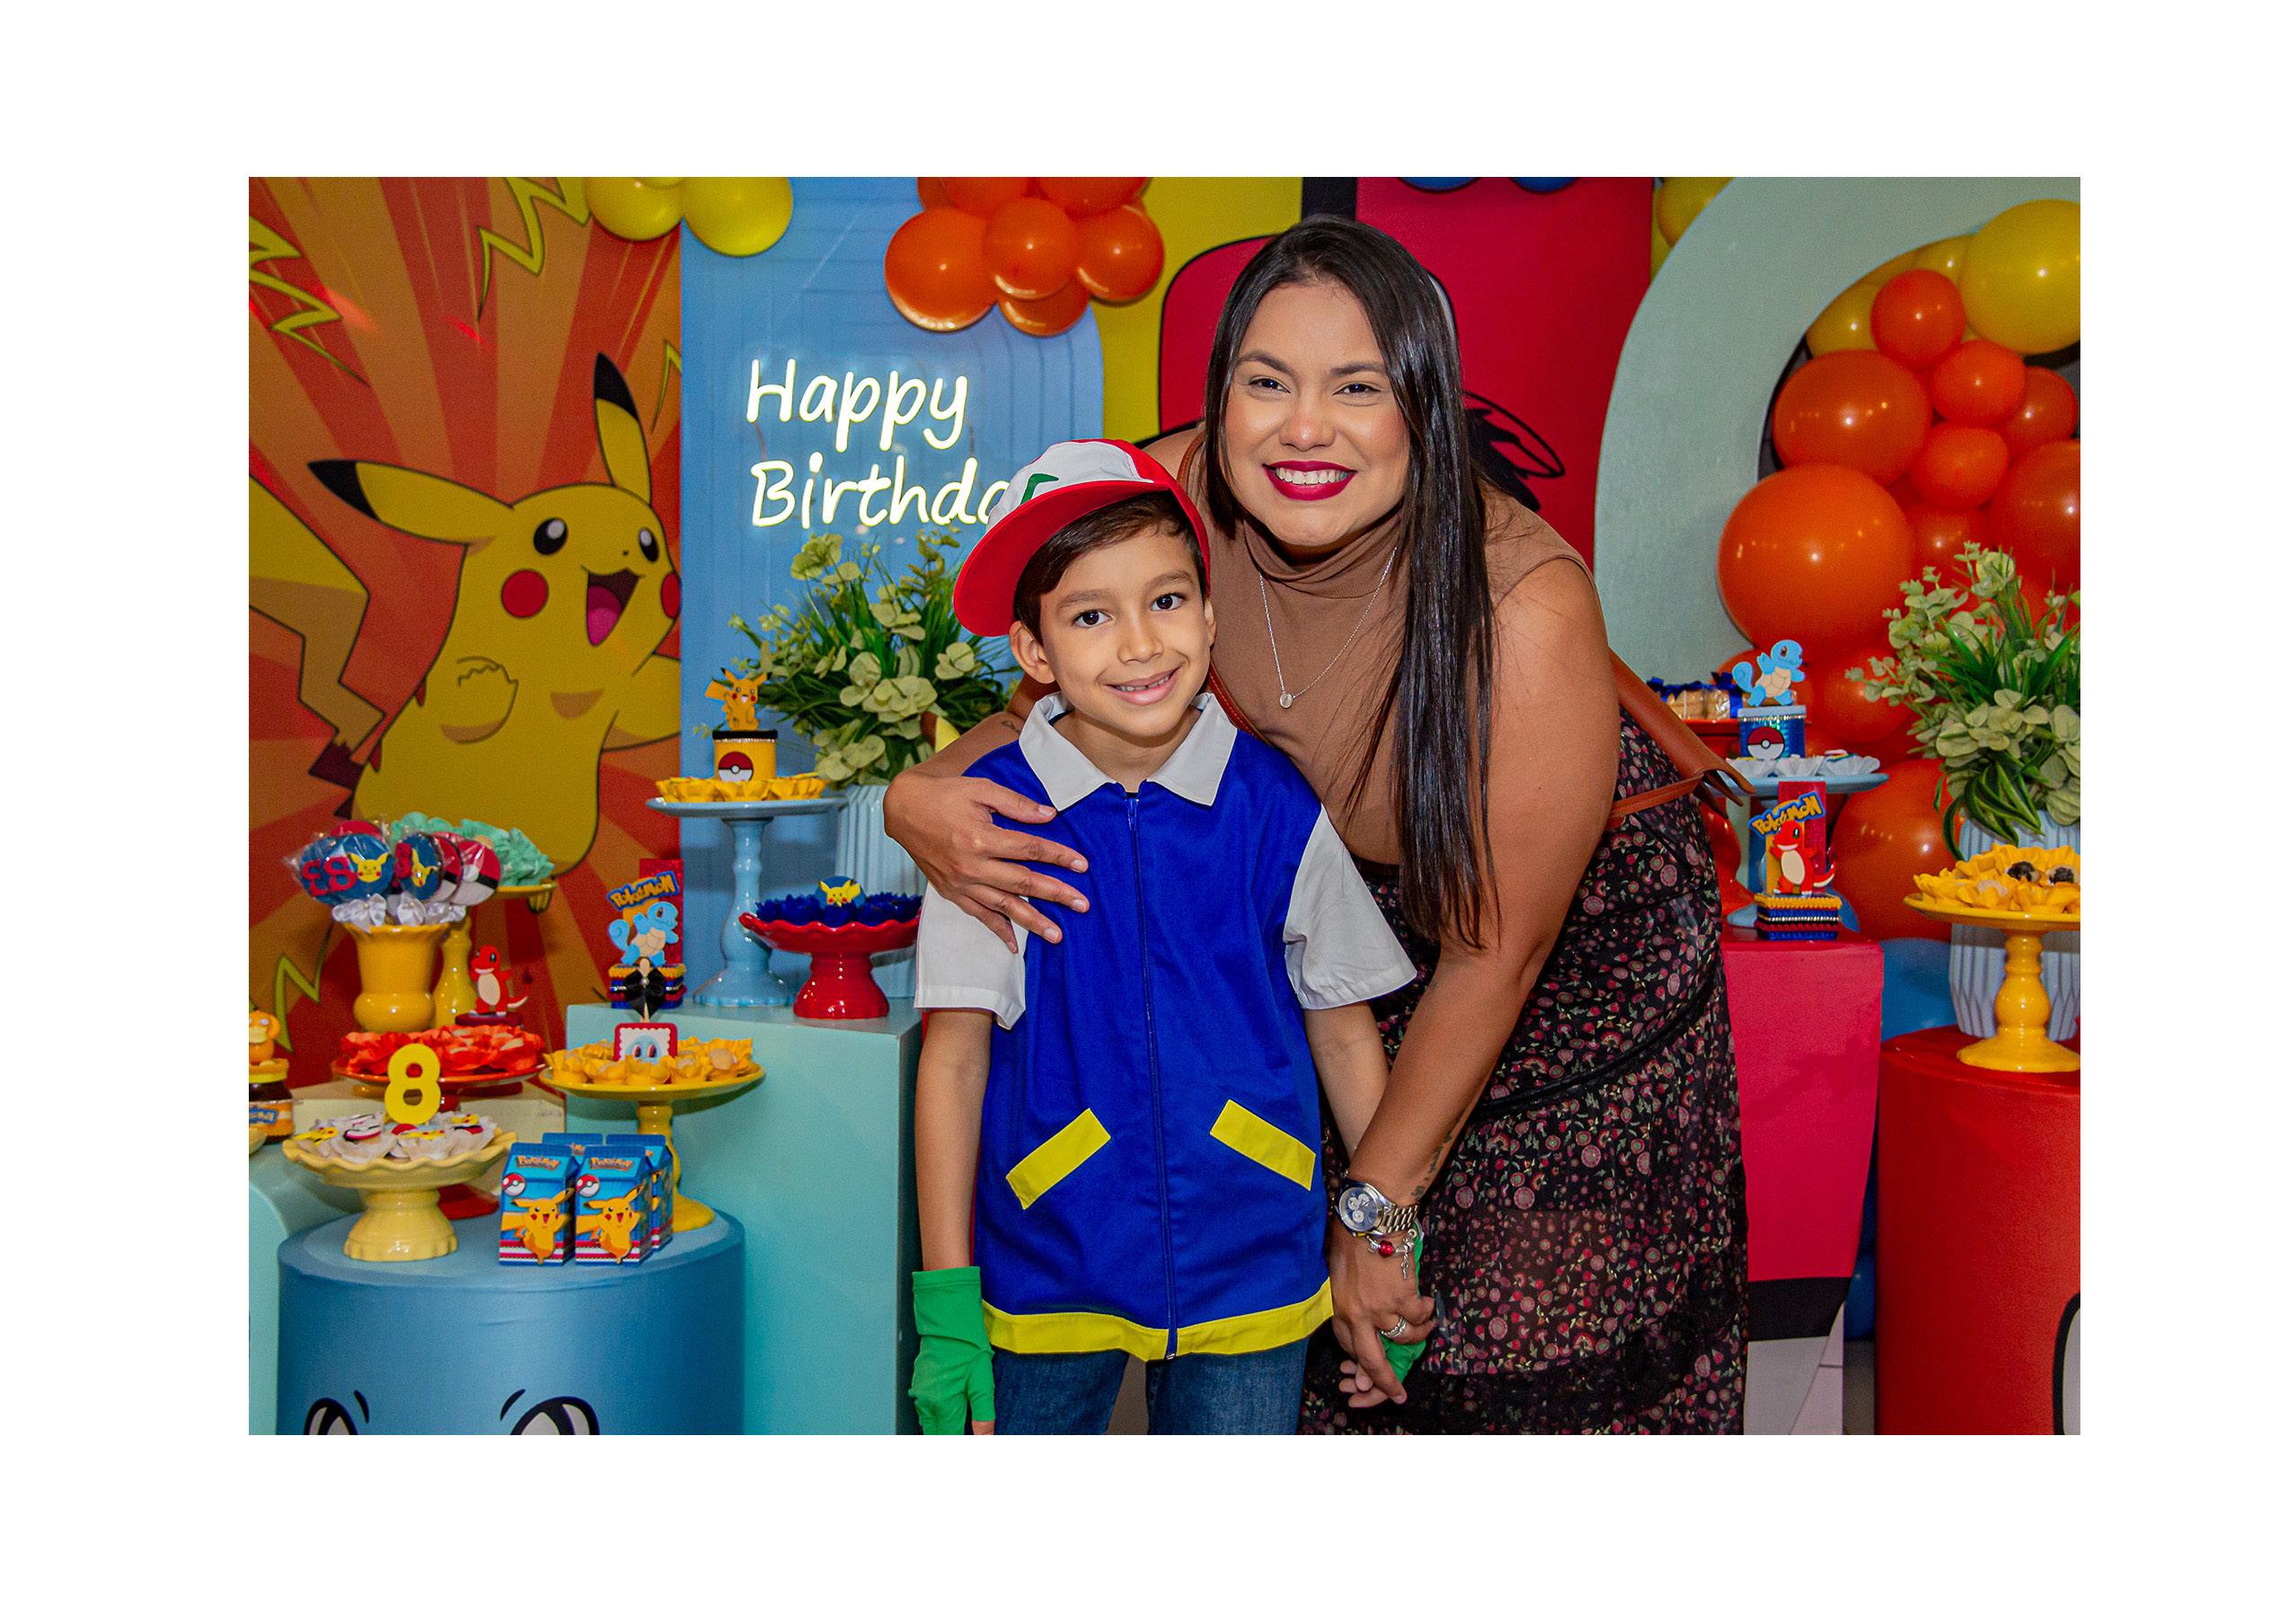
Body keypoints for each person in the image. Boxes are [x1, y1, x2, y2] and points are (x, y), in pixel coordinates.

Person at [890, 216, 1749, 1433]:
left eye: (1358, 387)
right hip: (1313, 944)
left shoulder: (1525, 605)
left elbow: (1495, 956)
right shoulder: (1165, 502)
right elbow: (1047, 699)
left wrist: (1378, 1208)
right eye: (1267, 382)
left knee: (1494, 1338)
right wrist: (917, 792)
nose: (1304, 428)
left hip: (1548, 970)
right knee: (1298, 1328)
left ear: (1426, 409)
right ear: (1218, 399)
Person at [905, 439, 1418, 1436]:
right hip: (1047, 1261)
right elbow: (955, 1062)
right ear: (1035, 653)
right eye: (1091, 616)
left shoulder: (1274, 805)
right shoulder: (985, 827)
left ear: (1210, 613)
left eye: (1167, 599)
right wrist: (946, 1301)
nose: (1140, 644)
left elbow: (1346, 1030)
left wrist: (1390, 1239)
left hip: (1253, 1258)